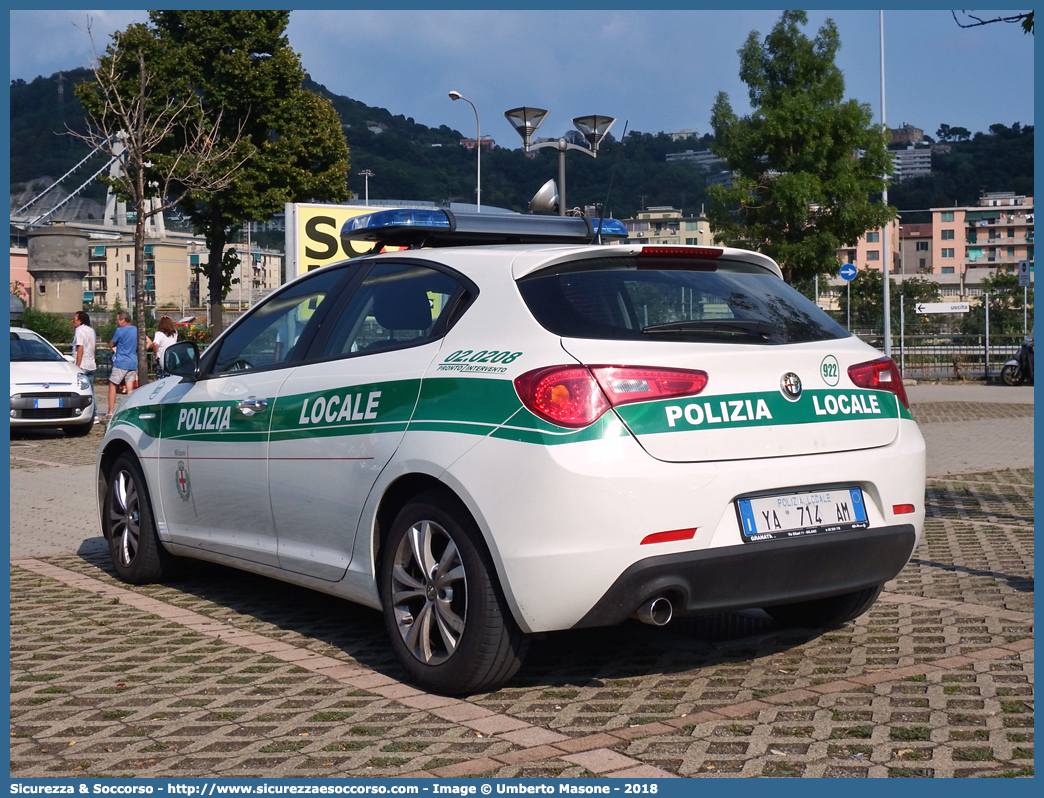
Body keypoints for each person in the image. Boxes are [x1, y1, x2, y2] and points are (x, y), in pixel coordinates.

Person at [106, 310, 138, 420]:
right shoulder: (136, 329)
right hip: (132, 361)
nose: (117, 322)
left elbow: (111, 343)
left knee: (113, 385)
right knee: (130, 388)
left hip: (121, 361)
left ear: (123, 320)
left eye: (118, 319)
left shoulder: (120, 330)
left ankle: (110, 411)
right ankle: (129, 410)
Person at [72, 311, 97, 380]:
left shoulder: (79, 331)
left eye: (74, 319)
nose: (72, 321)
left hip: (82, 365)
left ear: (80, 321)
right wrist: (93, 360)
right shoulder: (91, 330)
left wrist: (77, 366)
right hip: (91, 365)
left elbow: (80, 348)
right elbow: (93, 348)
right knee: (90, 388)